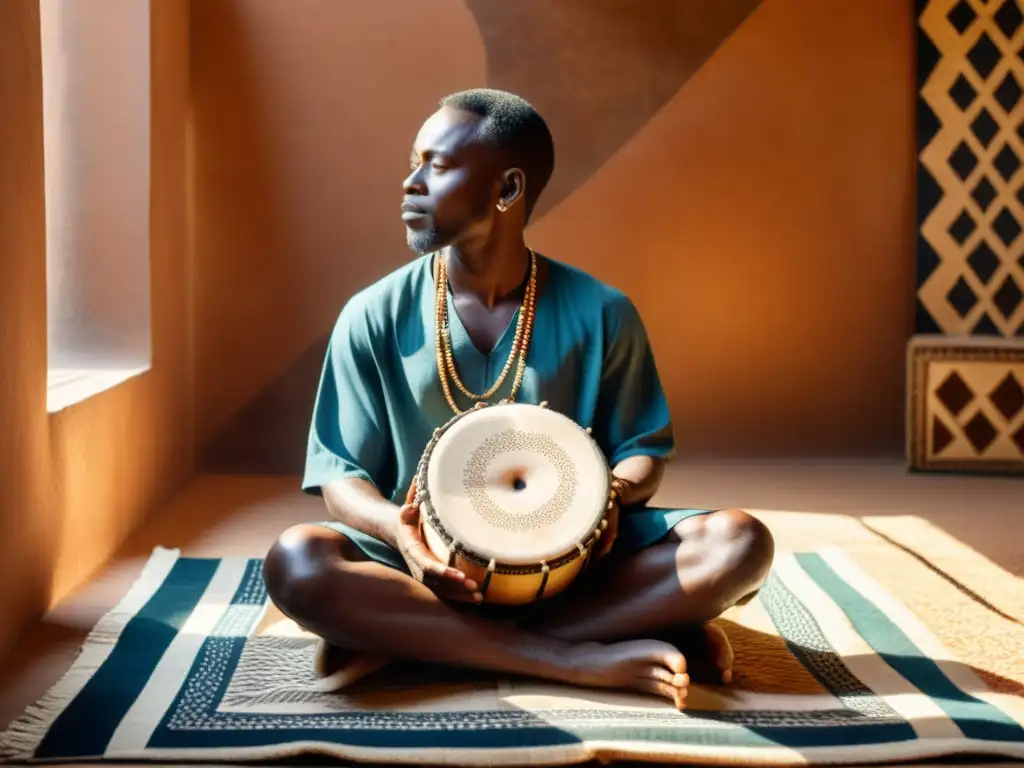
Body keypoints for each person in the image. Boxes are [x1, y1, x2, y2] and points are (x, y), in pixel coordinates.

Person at [263, 88, 774, 710]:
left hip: (575, 568)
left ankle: (417, 642)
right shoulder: (371, 314)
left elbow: (644, 452)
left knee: (739, 543)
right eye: (414, 162)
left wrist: (608, 495)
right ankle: (576, 655)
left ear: (506, 190)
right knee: (297, 561)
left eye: (437, 165)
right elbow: (341, 478)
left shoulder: (602, 311)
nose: (410, 182)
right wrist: (403, 542)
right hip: (425, 572)